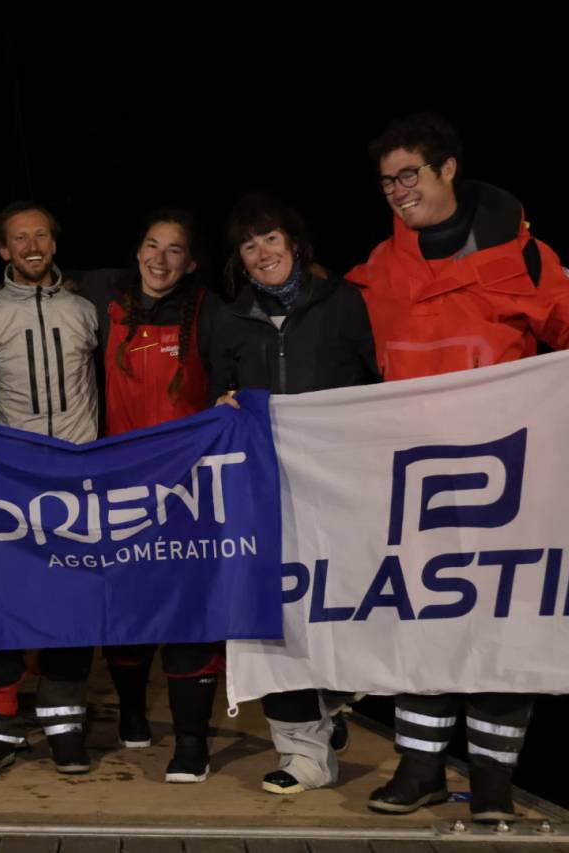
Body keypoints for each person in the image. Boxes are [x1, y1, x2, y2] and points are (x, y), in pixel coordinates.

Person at [346, 113, 569, 823]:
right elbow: (331, 343)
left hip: (507, 478)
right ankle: (420, 768)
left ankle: (492, 780)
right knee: (421, 618)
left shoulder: (524, 258)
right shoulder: (379, 269)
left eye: (409, 175)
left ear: (448, 169)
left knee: (503, 623)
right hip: (418, 482)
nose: (398, 191)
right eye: (387, 181)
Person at [205, 193, 380, 795]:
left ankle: (334, 699)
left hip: (340, 486)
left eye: (271, 239)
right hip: (264, 491)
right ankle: (301, 752)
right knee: (271, 614)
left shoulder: (344, 302)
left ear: (296, 245)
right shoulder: (229, 319)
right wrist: (223, 403)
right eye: (248, 245)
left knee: (350, 607)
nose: (261, 253)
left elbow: (380, 380)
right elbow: (218, 390)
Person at [0, 202, 100, 777]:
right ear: (4, 250)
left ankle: (65, 727)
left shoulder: (87, 308)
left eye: (41, 235)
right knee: (0, 605)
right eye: (20, 238)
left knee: (72, 604)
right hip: (11, 482)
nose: (32, 245)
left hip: (77, 480)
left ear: (54, 244)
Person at [86, 209, 222, 783]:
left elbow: (239, 371)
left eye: (174, 250)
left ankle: (191, 742)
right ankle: (133, 712)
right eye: (151, 245)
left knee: (190, 615)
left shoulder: (211, 311)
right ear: (137, 250)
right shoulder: (104, 300)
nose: (159, 259)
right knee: (129, 613)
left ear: (190, 263)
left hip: (191, 491)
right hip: (121, 484)